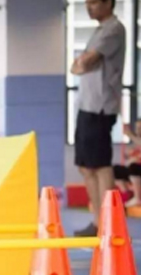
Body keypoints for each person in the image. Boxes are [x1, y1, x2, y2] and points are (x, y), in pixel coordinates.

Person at [71, 0, 126, 236]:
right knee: (85, 167)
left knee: (101, 166)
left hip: (100, 108)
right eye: (87, 3)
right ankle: (98, 221)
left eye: (93, 2)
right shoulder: (98, 31)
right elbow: (76, 67)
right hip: (86, 106)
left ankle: (110, 223)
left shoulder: (114, 29)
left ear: (108, 3)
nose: (89, 7)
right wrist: (81, 62)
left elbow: (85, 62)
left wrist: (82, 61)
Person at [119, 121, 141, 206]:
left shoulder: (136, 140)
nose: (138, 130)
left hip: (136, 169)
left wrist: (129, 135)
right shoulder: (135, 143)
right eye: (137, 128)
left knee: (133, 167)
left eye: (140, 128)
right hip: (133, 169)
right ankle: (128, 194)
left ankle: (137, 198)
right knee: (115, 170)